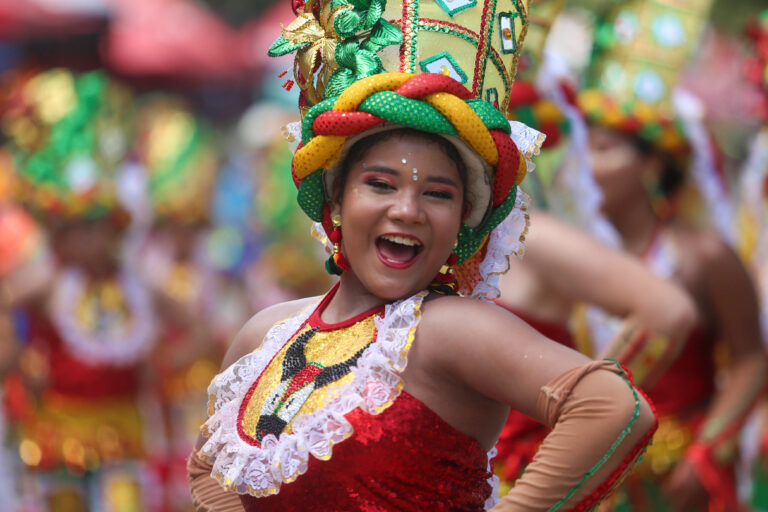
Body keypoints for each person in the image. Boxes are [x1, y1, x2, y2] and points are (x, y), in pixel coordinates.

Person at [187, 0, 656, 510]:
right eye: (380, 185)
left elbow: (612, 407)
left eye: (438, 194)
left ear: (463, 222)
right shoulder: (266, 333)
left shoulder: (447, 330)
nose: (407, 210)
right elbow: (206, 466)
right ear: (336, 199)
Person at [575, 1, 767, 509]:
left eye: (604, 149)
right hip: (596, 478)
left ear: (651, 165)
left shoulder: (702, 255)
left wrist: (708, 450)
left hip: (679, 485)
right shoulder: (571, 253)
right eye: (584, 148)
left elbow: (750, 358)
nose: (586, 165)